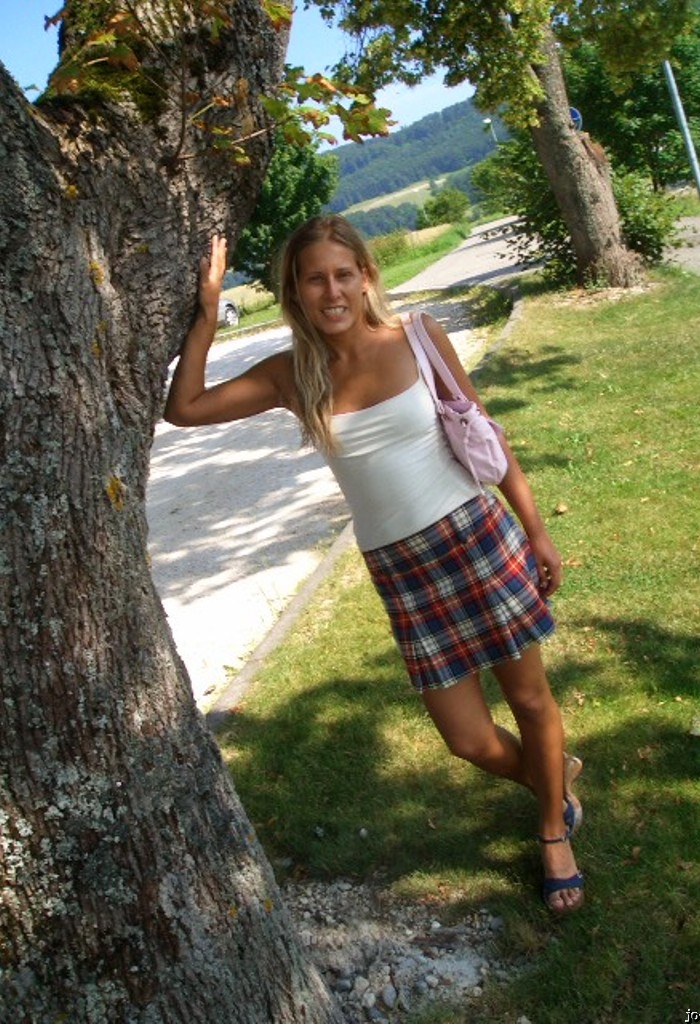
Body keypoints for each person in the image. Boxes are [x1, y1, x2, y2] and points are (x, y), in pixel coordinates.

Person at [165, 215, 584, 913]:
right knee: (468, 740)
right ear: (295, 293)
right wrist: (208, 312)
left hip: (476, 539)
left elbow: (486, 433)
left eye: (343, 274)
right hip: (403, 572)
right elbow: (184, 408)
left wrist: (535, 530)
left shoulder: (418, 337)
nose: (331, 291)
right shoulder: (291, 376)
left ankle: (552, 831)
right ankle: (551, 776)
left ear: (366, 277)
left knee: (531, 701)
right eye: (314, 280)